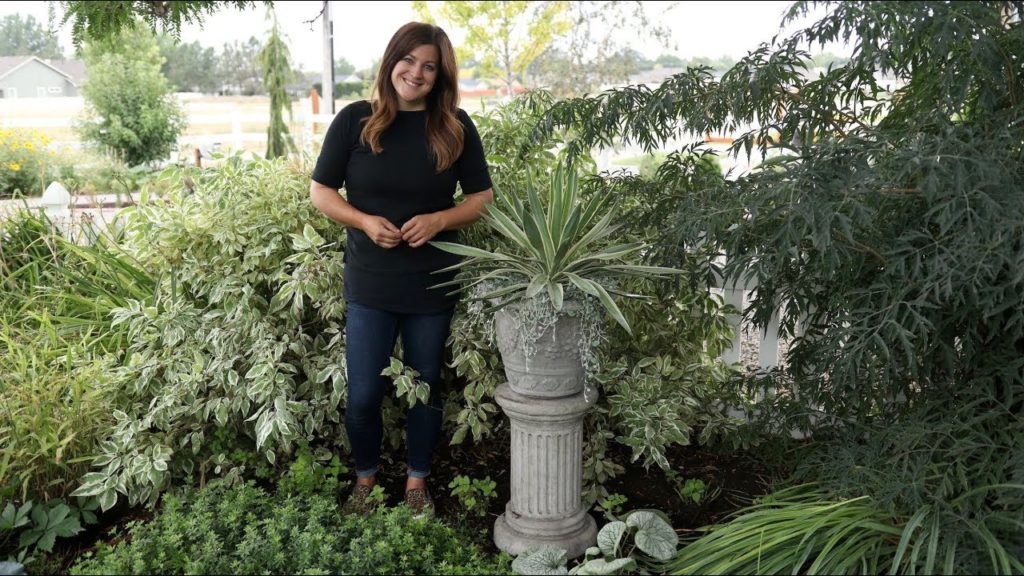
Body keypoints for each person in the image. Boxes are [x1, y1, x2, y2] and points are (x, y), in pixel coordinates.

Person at [309, 22, 494, 517]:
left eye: (429, 66)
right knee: (365, 392)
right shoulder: (354, 121)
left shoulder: (455, 126)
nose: (416, 72)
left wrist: (439, 219)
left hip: (432, 282)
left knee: (425, 386)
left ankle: (416, 482)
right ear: (392, 62)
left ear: (440, 75)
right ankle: (365, 479)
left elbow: (481, 199)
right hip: (369, 281)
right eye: (409, 60)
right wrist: (364, 221)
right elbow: (321, 192)